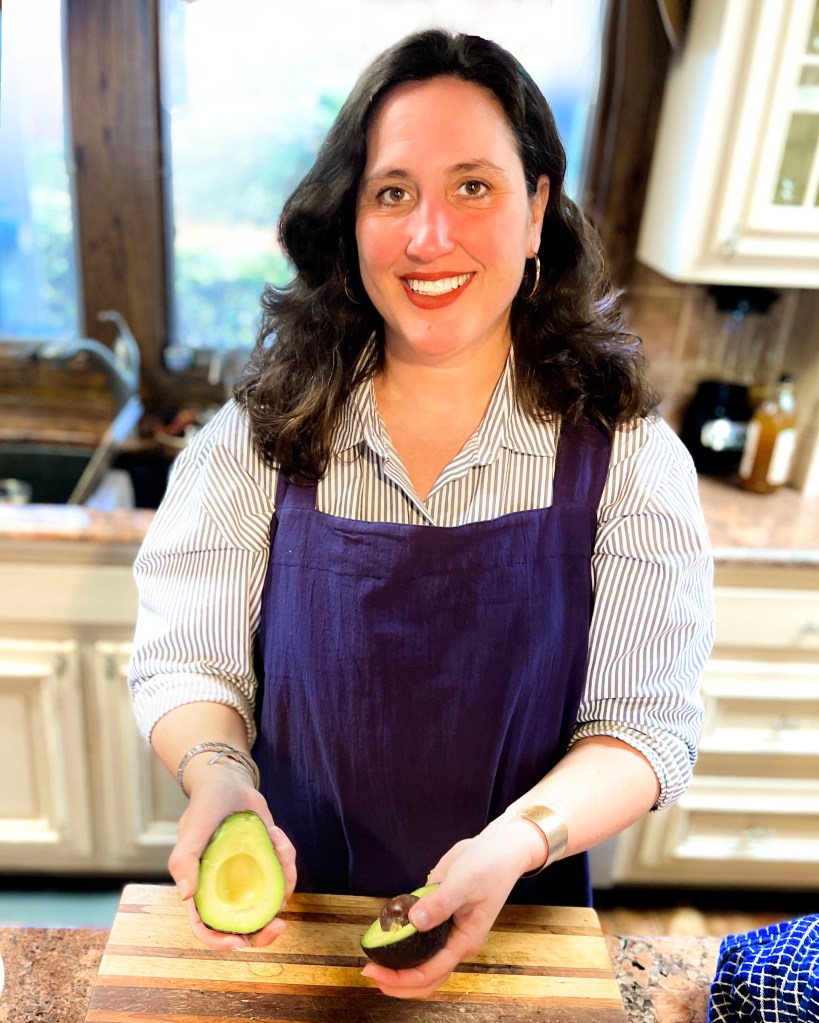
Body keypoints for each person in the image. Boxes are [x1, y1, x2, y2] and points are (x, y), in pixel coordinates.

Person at [128, 29, 714, 999]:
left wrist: (515, 842)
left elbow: (642, 727)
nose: (428, 236)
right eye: (392, 192)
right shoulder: (254, 440)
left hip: (520, 927)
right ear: (351, 221)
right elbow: (189, 660)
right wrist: (219, 775)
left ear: (536, 211)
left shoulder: (629, 461)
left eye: (473, 186)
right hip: (292, 923)